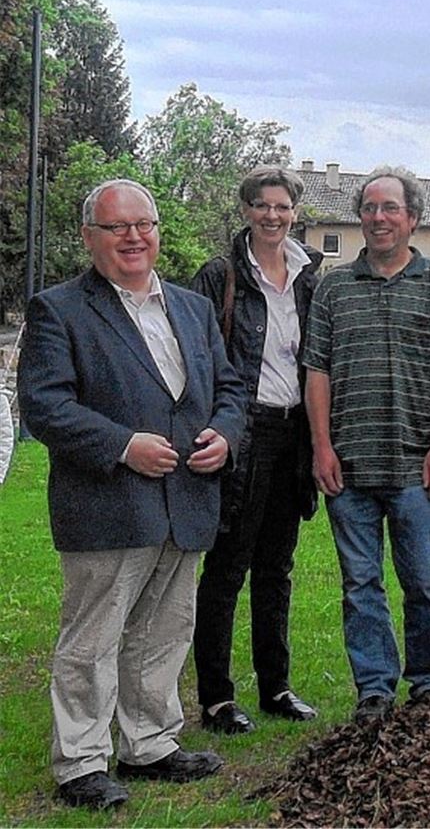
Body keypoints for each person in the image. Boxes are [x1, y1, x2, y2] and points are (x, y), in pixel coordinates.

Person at [18, 179, 244, 810]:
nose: (133, 237)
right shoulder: (59, 310)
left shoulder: (192, 309)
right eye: (116, 227)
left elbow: (228, 386)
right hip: (109, 502)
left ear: (158, 232)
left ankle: (149, 743)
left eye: (143, 224)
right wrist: (123, 444)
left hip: (187, 497)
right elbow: (45, 405)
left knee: (165, 631)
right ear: (90, 237)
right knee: (93, 639)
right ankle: (81, 762)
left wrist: (225, 434)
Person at [304, 165, 430, 723]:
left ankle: (428, 682)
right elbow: (317, 372)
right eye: (371, 209)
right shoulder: (333, 287)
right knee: (360, 584)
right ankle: (373, 688)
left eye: (391, 209)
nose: (379, 218)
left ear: (413, 219)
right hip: (348, 467)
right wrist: (321, 447)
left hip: (415, 464)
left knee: (424, 580)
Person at [191, 166, 323, 735]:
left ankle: (276, 687)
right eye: (262, 206)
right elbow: (201, 361)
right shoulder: (220, 276)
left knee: (278, 567)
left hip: (295, 432)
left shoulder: (309, 275)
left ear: (296, 211)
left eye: (283, 206)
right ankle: (217, 697)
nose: (273, 216)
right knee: (226, 567)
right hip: (241, 432)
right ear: (246, 210)